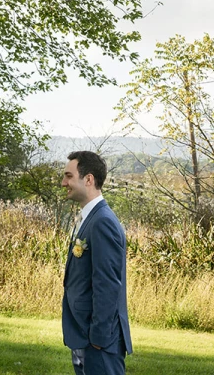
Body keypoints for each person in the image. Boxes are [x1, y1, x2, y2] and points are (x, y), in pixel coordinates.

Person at [60, 150, 131, 375]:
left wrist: (98, 339)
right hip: (84, 335)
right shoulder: (89, 217)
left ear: (88, 179)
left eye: (69, 176)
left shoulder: (102, 221)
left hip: (98, 340)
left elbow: (108, 284)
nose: (63, 183)